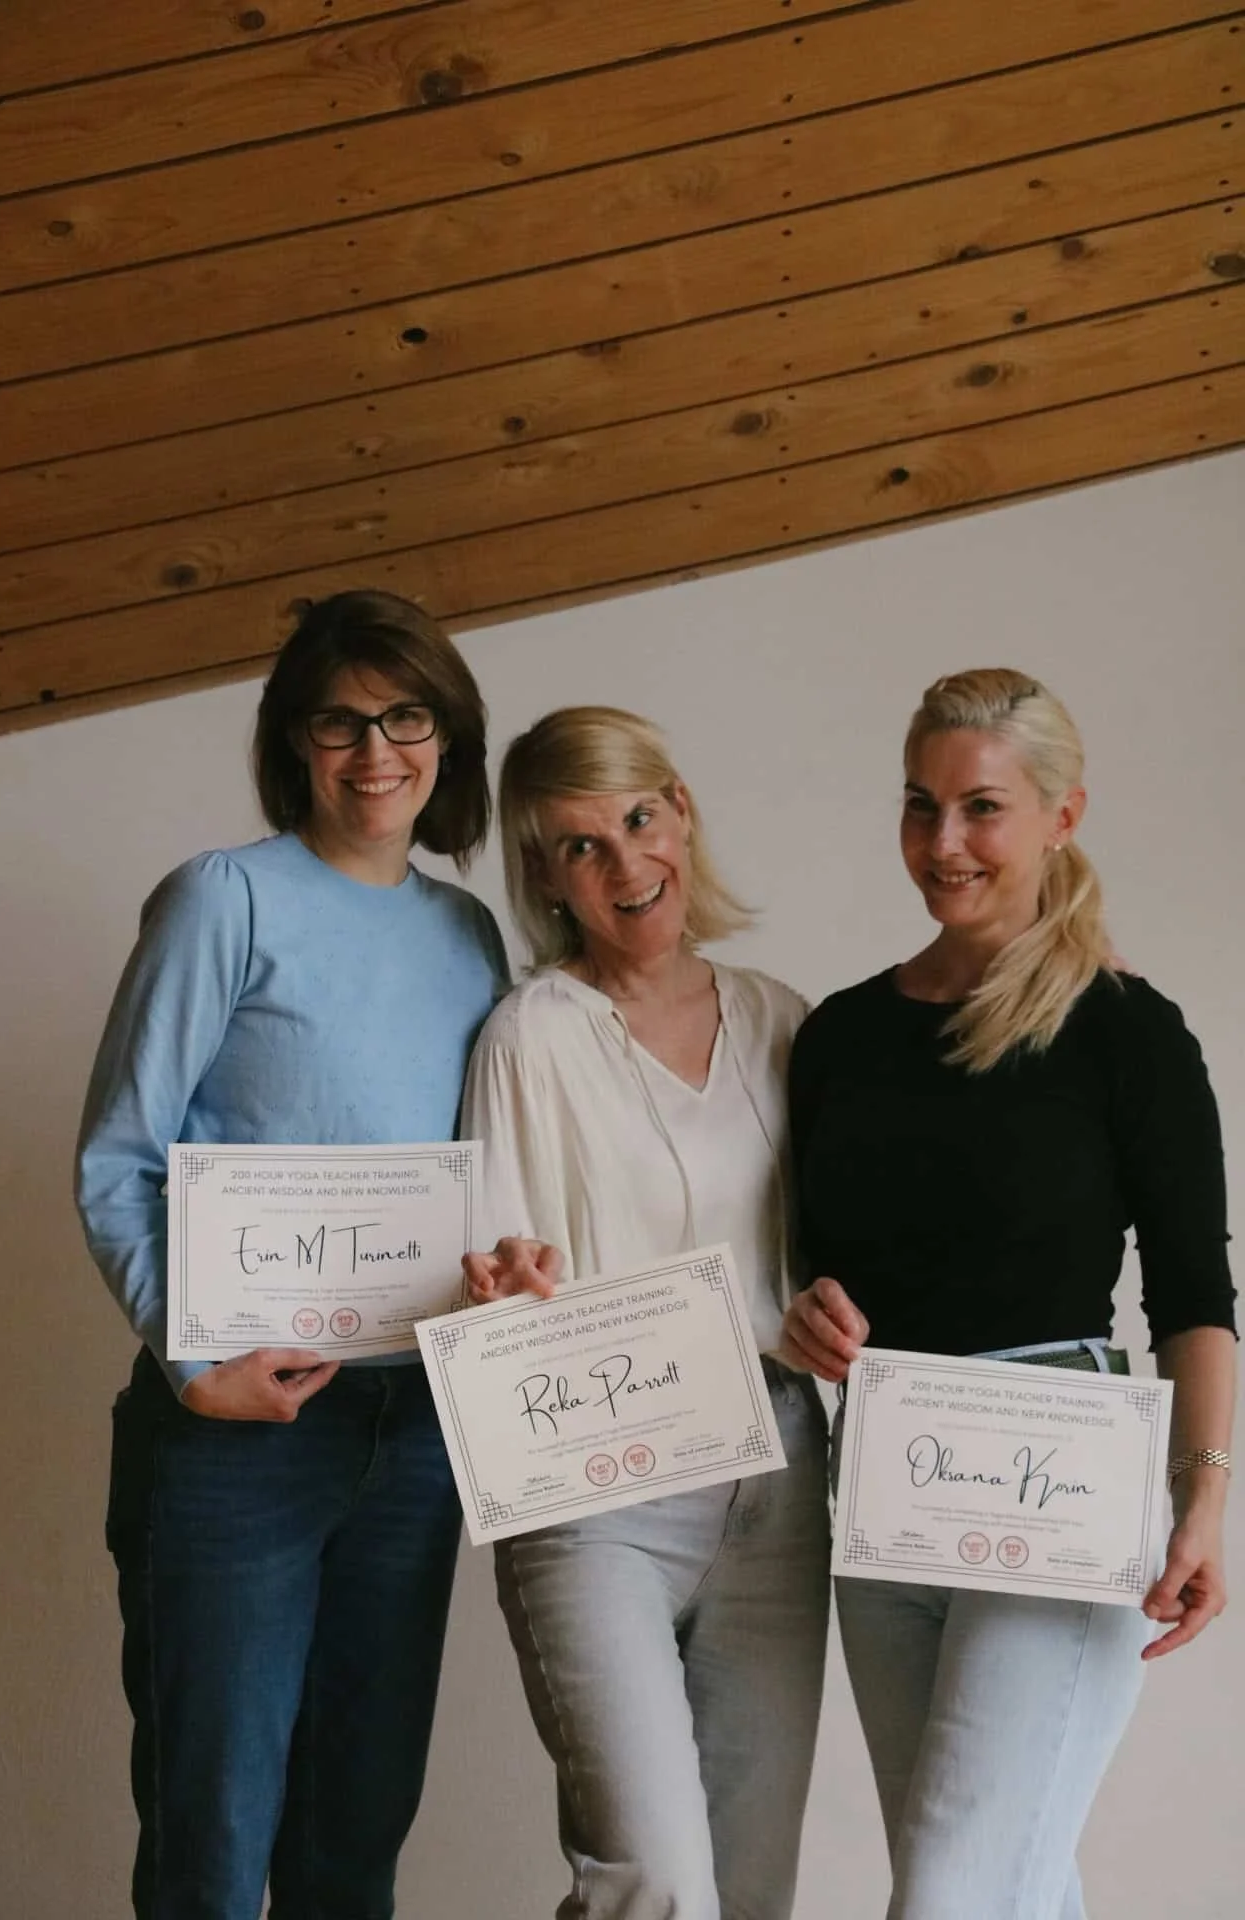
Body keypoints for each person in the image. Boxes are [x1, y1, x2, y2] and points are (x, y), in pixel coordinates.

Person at [75, 590, 511, 1920]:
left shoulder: (470, 936)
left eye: (406, 717)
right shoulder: (225, 898)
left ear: (448, 740)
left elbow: (466, 1176)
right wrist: (196, 1362)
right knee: (213, 1838)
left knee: (355, 1834)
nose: (376, 751)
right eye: (339, 723)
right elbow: (117, 1153)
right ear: (293, 744)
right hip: (236, 1431)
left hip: (413, 1432)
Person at [783, 667, 1236, 1920]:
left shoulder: (1125, 1031)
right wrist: (808, 1313)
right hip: (880, 1482)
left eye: (980, 808)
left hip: (1064, 1479)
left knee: (948, 1889)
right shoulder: (839, 1037)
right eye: (920, 806)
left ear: (1059, 815)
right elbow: (807, 1268)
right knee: (1003, 1883)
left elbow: (1196, 1294)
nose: (943, 843)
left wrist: (1200, 1498)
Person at [461, 705, 830, 1920]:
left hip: (778, 1477)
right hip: (597, 1492)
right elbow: (492, 1278)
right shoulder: (528, 1038)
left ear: (680, 810)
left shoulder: (784, 1021)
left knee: (749, 1883)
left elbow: (878, 1228)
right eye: (579, 846)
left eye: (637, 819)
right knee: (655, 1885)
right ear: (542, 875)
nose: (625, 866)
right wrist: (501, 1284)